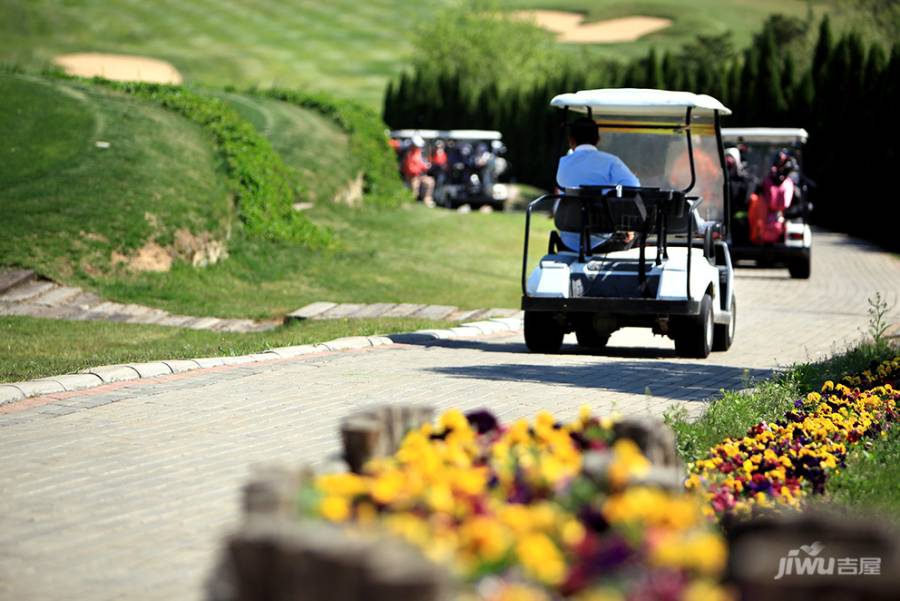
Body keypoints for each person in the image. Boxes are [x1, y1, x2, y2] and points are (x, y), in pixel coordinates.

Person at [555, 117, 640, 252]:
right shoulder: (611, 162)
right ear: (598, 139)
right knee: (635, 236)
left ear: (571, 140)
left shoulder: (561, 163)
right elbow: (634, 186)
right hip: (602, 242)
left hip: (567, 241)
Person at [402, 136, 435, 207]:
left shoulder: (419, 153)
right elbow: (410, 169)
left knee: (430, 182)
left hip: (420, 176)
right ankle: (410, 204)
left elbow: (421, 164)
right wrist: (420, 170)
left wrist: (425, 166)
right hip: (412, 177)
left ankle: (427, 200)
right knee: (415, 190)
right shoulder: (409, 154)